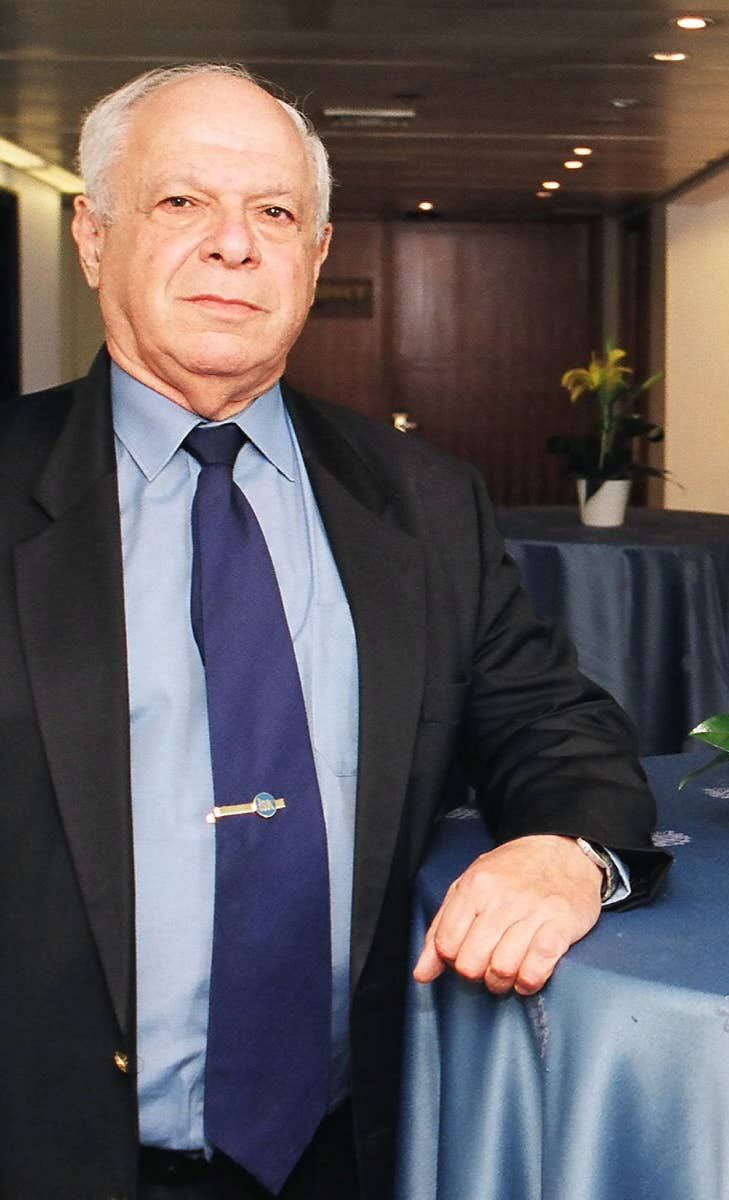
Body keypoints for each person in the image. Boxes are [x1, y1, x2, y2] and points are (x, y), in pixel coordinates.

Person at [0, 63, 669, 1200]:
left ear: (314, 257)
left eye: (273, 212)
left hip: (356, 1153)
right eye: (181, 201)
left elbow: (550, 724)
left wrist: (565, 851)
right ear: (93, 236)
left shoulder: (425, 500)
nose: (233, 244)